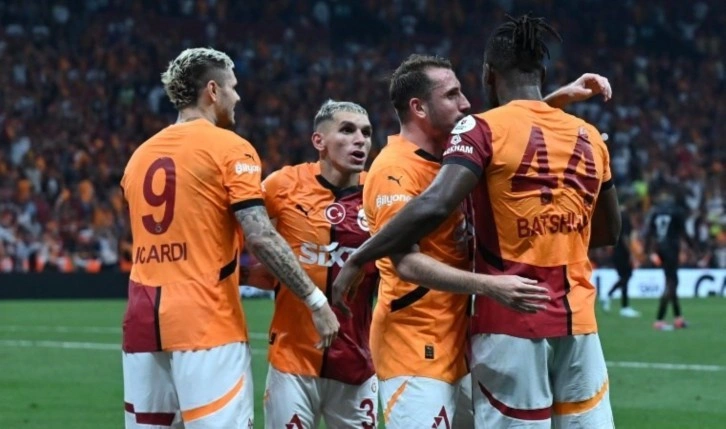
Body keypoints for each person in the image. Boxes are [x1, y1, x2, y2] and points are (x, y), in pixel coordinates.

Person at [333, 14, 620, 429]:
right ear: (418, 107)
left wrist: (549, 103)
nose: (466, 103)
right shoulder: (394, 168)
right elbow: (407, 257)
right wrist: (361, 257)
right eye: (452, 95)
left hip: (469, 340)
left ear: (489, 74)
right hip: (416, 345)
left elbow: (511, 136)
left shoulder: (469, 146)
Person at [120, 47, 339, 429]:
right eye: (233, 87)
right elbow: (260, 235)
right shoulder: (230, 147)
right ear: (212, 90)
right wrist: (315, 300)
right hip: (206, 321)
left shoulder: (138, 157)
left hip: (141, 320)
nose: (237, 96)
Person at [244, 100, 380, 428]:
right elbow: (244, 233)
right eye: (347, 130)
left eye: (366, 133)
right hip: (292, 362)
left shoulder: (379, 192)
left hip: (358, 365)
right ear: (319, 141)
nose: (360, 140)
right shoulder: (283, 184)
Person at [644, 187, 696, 330]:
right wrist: (693, 247)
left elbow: (649, 232)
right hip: (671, 248)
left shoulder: (656, 211)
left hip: (659, 248)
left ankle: (678, 318)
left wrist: (648, 251)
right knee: (671, 283)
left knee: (672, 280)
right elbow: (683, 232)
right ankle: (659, 320)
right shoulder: (677, 211)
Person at [602, 201, 641, 317]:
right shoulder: (625, 218)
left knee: (625, 277)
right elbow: (625, 237)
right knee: (626, 276)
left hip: (616, 251)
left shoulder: (617, 216)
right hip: (622, 253)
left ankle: (624, 307)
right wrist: (631, 253)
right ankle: (609, 295)